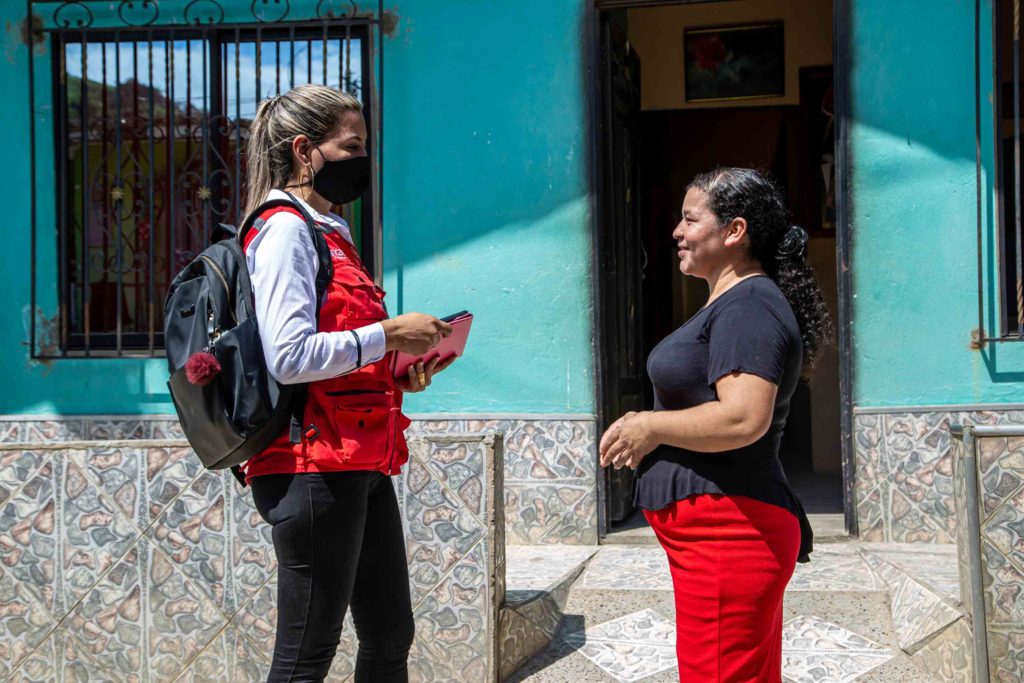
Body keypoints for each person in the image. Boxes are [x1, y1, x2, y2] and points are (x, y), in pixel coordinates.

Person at [240, 84, 454, 682]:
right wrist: (387, 335)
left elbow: (333, 351)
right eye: (352, 145)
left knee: (389, 633)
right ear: (306, 150)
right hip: (311, 467)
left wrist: (394, 377)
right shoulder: (284, 231)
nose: (363, 160)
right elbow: (289, 357)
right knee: (307, 652)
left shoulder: (331, 230)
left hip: (358, 456)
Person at [599, 167, 831, 682]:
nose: (676, 232)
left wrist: (651, 427)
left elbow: (744, 416)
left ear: (734, 231)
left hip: (731, 536)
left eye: (689, 219)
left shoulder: (749, 304)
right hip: (723, 537)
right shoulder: (735, 302)